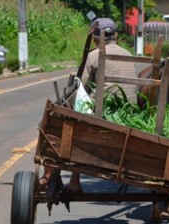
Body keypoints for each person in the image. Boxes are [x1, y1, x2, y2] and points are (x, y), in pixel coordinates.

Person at [39, 18, 137, 194]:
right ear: (115, 36)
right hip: (131, 118)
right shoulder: (128, 54)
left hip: (102, 117)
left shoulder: (94, 55)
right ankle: (73, 181)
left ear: (96, 39)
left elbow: (79, 88)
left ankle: (58, 177)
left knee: (66, 123)